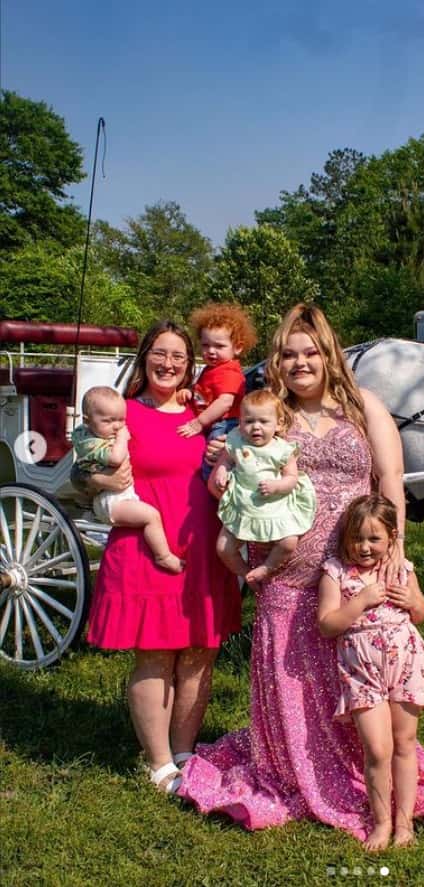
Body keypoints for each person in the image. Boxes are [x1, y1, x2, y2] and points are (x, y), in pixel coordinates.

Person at [178, 303, 424, 840]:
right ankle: (296, 768)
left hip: (356, 567)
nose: (300, 363)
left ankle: (368, 773)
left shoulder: (363, 408)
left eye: (310, 352)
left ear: (328, 354)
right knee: (292, 678)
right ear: (278, 360)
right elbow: (232, 475)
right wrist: (218, 472)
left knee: (361, 678)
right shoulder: (271, 414)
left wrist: (396, 553)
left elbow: (389, 478)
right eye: (289, 354)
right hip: (284, 568)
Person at [83, 320, 241, 794]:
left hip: (201, 544)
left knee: (199, 653)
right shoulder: (120, 413)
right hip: (147, 547)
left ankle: (184, 752)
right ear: (145, 357)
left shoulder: (209, 414)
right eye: (160, 353)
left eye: (179, 356)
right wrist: (98, 485)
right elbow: (81, 471)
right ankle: (158, 765)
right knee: (154, 654)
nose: (169, 364)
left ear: (191, 363)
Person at [318, 493, 424, 849]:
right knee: (377, 749)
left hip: (404, 663)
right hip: (361, 670)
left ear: (392, 537)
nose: (364, 547)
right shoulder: (336, 572)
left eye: (374, 539)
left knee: (404, 743)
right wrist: (359, 602)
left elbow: (421, 613)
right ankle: (381, 821)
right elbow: (327, 625)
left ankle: (404, 824)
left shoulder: (401, 569)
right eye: (356, 539)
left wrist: (414, 602)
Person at [72, 386, 183, 573]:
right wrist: (122, 438)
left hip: (120, 498)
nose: (117, 426)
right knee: (151, 516)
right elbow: (114, 459)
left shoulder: (99, 433)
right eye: (108, 421)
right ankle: (163, 556)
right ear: (87, 421)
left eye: (121, 420)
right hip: (113, 500)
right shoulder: (93, 441)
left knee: (150, 516)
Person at [212, 388, 317, 587]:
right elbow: (226, 461)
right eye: (249, 421)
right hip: (243, 508)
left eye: (263, 422)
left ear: (278, 424)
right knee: (223, 548)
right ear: (240, 422)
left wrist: (278, 486)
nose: (256, 428)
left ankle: (267, 567)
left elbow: (292, 477)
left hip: (274, 508)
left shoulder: (282, 449)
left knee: (288, 542)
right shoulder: (236, 441)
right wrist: (222, 472)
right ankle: (247, 574)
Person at [176, 302, 257, 479]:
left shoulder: (229, 371)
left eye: (219, 346)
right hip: (213, 423)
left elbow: (224, 402)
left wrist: (198, 423)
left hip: (225, 424)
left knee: (211, 464)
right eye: (206, 345)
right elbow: (204, 394)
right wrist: (189, 392)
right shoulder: (211, 369)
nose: (211, 351)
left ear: (238, 347)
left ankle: (214, 489)